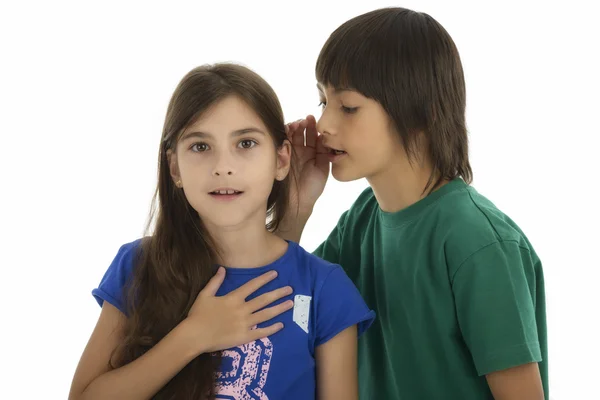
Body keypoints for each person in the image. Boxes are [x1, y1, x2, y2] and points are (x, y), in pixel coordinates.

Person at [281, 7, 548, 400]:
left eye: (348, 106)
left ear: (421, 112)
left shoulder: (478, 242)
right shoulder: (362, 220)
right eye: (323, 102)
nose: (324, 125)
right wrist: (296, 207)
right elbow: (283, 302)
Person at [68, 63, 374, 400]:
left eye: (245, 143)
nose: (222, 167)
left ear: (281, 159)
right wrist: (193, 336)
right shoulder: (139, 265)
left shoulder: (325, 289)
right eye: (200, 146)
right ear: (175, 168)